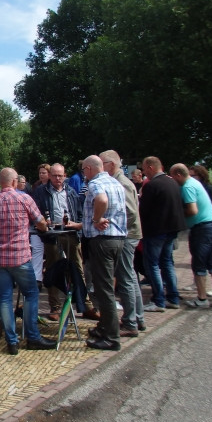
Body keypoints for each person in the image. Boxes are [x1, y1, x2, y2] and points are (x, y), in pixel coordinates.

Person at [0, 168, 55, 353]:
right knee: (31, 294)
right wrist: (44, 227)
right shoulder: (24, 199)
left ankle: (11, 342)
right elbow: (41, 222)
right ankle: (32, 336)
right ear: (14, 182)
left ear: (0, 182)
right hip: (20, 257)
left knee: (5, 298)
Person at [31, 163, 97, 321]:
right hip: (51, 234)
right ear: (49, 175)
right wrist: (43, 225)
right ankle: (55, 307)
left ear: (65, 175)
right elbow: (35, 213)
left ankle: (86, 305)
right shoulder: (41, 191)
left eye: (60, 175)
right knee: (53, 269)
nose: (57, 179)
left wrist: (77, 225)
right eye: (54, 175)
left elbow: (80, 212)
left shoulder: (71, 191)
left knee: (77, 268)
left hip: (70, 233)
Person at [81, 155, 127, 351]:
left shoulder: (96, 184)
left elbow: (101, 199)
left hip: (102, 240)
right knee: (106, 285)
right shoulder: (116, 182)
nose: (83, 174)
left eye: (84, 170)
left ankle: (111, 337)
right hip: (117, 239)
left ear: (90, 169)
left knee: (104, 289)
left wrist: (95, 218)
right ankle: (104, 327)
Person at [169, 164, 212, 309]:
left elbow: (192, 210)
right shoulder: (195, 183)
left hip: (201, 229)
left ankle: (202, 299)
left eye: (172, 176)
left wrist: (177, 213)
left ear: (178, 175)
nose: (172, 179)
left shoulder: (188, 187)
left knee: (199, 264)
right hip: (211, 226)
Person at [99, 150, 146, 335]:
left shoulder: (120, 182)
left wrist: (115, 228)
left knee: (126, 278)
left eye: (103, 164)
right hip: (128, 234)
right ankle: (137, 318)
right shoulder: (121, 181)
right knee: (131, 277)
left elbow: (131, 213)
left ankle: (130, 322)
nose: (101, 168)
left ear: (111, 164)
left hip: (126, 236)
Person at [138, 156, 186, 311]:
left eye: (144, 169)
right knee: (167, 263)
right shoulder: (173, 182)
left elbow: (143, 210)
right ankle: (173, 297)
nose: (144, 172)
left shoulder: (153, 185)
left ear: (151, 167)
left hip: (156, 231)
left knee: (152, 265)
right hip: (172, 230)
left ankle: (158, 300)